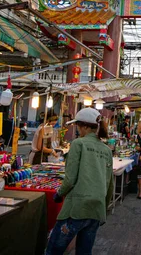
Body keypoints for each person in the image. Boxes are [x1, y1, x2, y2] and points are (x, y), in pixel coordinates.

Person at [46, 108, 114, 255]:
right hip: (96, 209)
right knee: (84, 251)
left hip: (77, 207)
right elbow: (109, 183)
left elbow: (70, 180)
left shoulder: (78, 144)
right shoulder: (107, 150)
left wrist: (59, 194)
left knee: (53, 251)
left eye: (77, 126)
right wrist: (104, 207)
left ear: (84, 126)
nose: (77, 129)